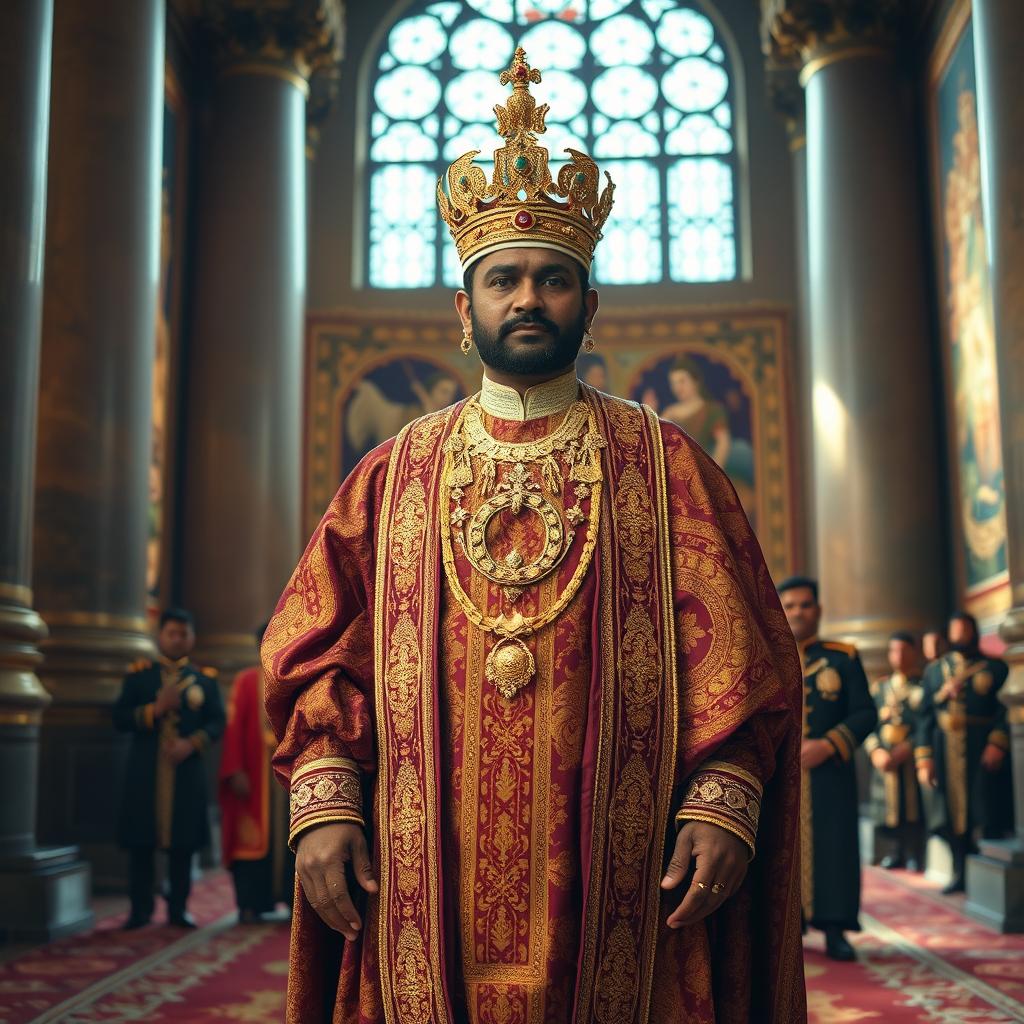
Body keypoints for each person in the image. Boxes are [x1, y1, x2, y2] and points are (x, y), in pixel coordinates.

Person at [263, 49, 805, 1024]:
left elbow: (740, 660)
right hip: (419, 872)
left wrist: (725, 796)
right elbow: (318, 652)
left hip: (632, 876)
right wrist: (325, 799)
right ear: (463, 314)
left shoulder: (664, 463)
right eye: (503, 280)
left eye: (552, 280)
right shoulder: (392, 477)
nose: (526, 299)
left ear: (587, 307)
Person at [778, 576, 877, 962]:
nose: (798, 612)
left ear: (817, 610)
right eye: (790, 605)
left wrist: (829, 744)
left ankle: (835, 928)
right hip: (781, 776)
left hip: (831, 774)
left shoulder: (843, 657)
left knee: (836, 848)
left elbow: (866, 712)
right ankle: (787, 931)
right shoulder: (769, 654)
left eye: (805, 604)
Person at [112, 607, 225, 928]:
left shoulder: (205, 679)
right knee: (141, 844)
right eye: (172, 633)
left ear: (192, 638)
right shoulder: (140, 675)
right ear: (160, 636)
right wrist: (154, 710)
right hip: (145, 771)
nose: (177, 639)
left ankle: (178, 910)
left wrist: (192, 744)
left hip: (186, 772)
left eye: (183, 634)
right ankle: (140, 910)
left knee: (183, 845)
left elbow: (217, 722)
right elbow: (120, 718)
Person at [915, 611, 1013, 893]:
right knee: (947, 813)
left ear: (974, 633)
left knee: (983, 808)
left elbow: (1005, 710)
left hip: (980, 747)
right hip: (944, 747)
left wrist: (998, 741)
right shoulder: (935, 671)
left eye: (965, 632)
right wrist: (924, 758)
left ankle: (985, 879)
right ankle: (959, 870)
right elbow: (924, 717)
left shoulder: (994, 669)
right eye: (955, 633)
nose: (960, 638)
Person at [219, 623, 295, 922]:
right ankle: (250, 903)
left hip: (288, 774)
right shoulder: (246, 681)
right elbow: (233, 729)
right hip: (254, 773)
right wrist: (235, 769)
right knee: (250, 840)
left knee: (290, 836)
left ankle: (292, 902)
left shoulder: (293, 677)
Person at [865, 632, 925, 871]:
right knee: (887, 806)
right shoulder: (880, 688)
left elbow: (924, 724)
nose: (898, 656)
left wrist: (908, 748)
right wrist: (875, 751)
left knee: (910, 804)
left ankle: (912, 851)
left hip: (909, 758)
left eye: (904, 650)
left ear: (913, 653)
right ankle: (894, 850)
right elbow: (868, 724)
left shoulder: (920, 686)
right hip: (884, 756)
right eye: (894, 651)